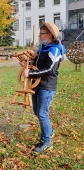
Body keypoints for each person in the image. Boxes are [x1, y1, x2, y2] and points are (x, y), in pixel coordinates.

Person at [20, 21, 65, 153]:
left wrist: (31, 73)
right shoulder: (42, 48)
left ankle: (46, 141)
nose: (39, 36)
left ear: (49, 35)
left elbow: (50, 69)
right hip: (37, 85)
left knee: (42, 113)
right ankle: (49, 132)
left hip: (47, 86)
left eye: (42, 34)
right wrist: (27, 65)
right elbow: (37, 64)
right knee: (37, 112)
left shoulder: (54, 50)